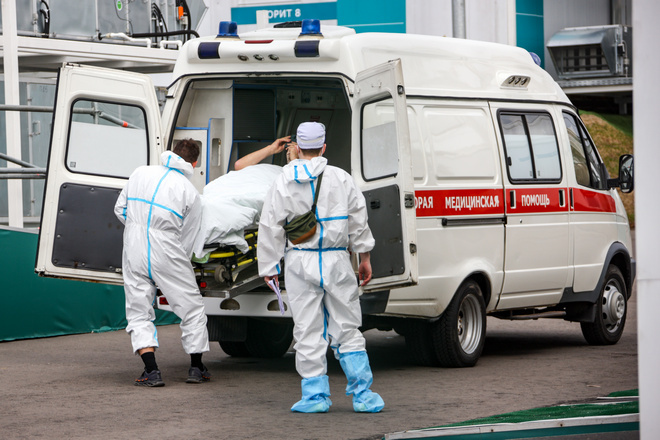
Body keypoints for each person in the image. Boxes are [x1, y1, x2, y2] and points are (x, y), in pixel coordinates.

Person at [257, 122, 384, 413]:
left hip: (299, 260)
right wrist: (364, 257)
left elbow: (270, 224)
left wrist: (269, 266)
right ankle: (363, 395)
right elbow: (358, 220)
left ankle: (314, 397)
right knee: (347, 327)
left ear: (298, 148)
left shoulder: (283, 180)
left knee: (307, 329)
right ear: (324, 147)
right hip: (336, 260)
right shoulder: (341, 178)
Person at [114, 139, 210, 387]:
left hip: (134, 246)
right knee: (192, 308)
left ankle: (152, 371)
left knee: (138, 309)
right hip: (168, 248)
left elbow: (120, 209)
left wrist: (138, 227)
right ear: (194, 163)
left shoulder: (140, 173)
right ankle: (196, 368)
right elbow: (188, 237)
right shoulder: (190, 192)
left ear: (171, 152)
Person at [234, 135, 298, 170]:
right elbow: (239, 165)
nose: (290, 153)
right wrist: (271, 149)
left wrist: (294, 160)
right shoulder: (277, 172)